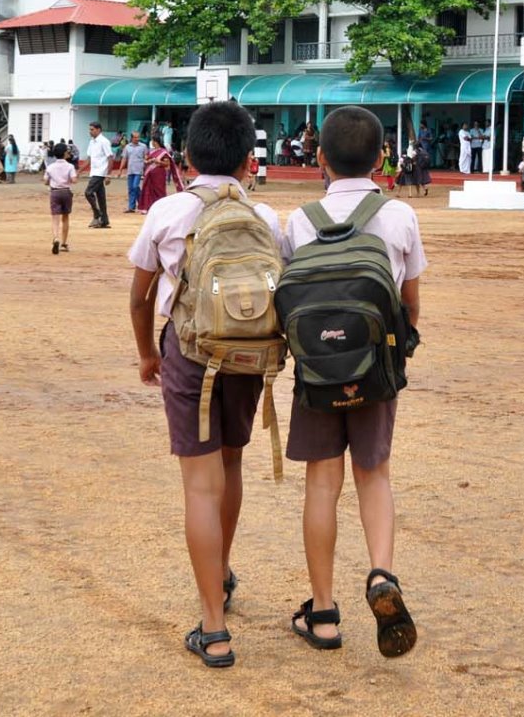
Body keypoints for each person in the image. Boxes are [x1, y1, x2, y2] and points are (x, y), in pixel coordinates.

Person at [126, 100, 283, 670]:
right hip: (247, 357)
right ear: (249, 160)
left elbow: (140, 297)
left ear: (187, 156)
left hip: (191, 355)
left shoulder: (168, 211)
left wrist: (148, 355)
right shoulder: (266, 218)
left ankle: (213, 628)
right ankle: (220, 574)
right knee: (232, 465)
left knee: (199, 485)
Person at [284, 105, 423, 659]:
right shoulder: (399, 216)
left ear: (319, 158)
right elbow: (410, 304)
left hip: (317, 374)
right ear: (383, 156)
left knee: (323, 482)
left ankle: (322, 612)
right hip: (375, 370)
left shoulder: (299, 220)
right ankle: (380, 575)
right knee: (374, 474)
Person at [45, 142, 77, 254]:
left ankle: (56, 238)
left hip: (55, 192)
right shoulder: (70, 166)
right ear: (64, 153)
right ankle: (64, 243)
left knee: (55, 218)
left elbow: (45, 181)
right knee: (66, 217)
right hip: (66, 192)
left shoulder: (50, 167)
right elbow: (74, 180)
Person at [139, 135, 184, 211]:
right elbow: (146, 160)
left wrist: (158, 161)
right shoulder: (152, 151)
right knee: (149, 190)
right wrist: (147, 161)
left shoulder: (163, 152)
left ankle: (161, 207)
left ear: (155, 142)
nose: (152, 143)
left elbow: (167, 164)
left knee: (159, 190)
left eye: (152, 141)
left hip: (159, 174)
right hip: (150, 174)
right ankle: (148, 207)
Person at [84, 121, 113, 228]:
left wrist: (108, 174)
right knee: (101, 197)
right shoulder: (92, 142)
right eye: (90, 129)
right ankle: (104, 220)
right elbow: (89, 159)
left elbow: (110, 157)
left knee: (88, 192)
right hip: (94, 171)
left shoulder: (104, 141)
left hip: (100, 172)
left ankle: (97, 214)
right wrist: (79, 171)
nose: (90, 131)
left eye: (92, 129)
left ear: (98, 130)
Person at [123, 131, 148, 212]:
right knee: (131, 188)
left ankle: (137, 204)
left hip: (139, 170)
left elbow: (146, 157)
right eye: (135, 137)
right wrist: (120, 169)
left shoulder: (143, 146)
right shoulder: (127, 147)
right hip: (130, 170)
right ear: (132, 138)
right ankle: (133, 206)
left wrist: (146, 169)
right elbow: (124, 158)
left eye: (138, 137)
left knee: (135, 186)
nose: (137, 139)